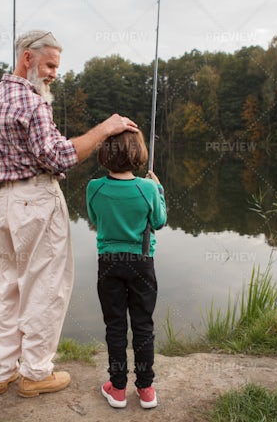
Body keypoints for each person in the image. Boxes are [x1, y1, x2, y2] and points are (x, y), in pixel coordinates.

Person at [0, 29, 139, 398]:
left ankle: (2, 370)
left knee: (8, 285)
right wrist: (105, 129)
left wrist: (2, 168)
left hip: (6, 202)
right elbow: (57, 156)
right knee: (45, 288)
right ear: (28, 58)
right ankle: (36, 373)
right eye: (50, 64)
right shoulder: (33, 102)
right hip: (38, 199)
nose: (54, 72)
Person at [86, 130, 167, 409]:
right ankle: (146, 389)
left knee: (115, 326)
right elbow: (159, 221)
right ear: (138, 154)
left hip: (108, 263)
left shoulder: (93, 187)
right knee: (143, 326)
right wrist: (159, 190)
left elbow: (95, 218)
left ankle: (117, 388)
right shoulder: (147, 189)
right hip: (142, 263)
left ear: (105, 154)